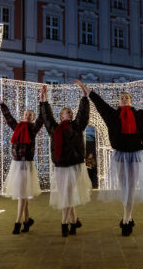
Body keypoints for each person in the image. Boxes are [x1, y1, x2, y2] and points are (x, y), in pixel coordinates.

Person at [75, 80, 143, 236]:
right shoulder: (113, 115)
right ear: (119, 102)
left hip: (135, 155)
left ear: (131, 101)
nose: (124, 99)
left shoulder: (140, 116)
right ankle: (127, 215)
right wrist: (88, 91)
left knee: (131, 187)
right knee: (124, 187)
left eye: (127, 97)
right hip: (120, 155)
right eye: (122, 98)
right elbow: (101, 104)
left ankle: (127, 217)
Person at [39, 82, 92, 237]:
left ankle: (64, 223)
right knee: (65, 194)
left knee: (67, 194)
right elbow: (46, 117)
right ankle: (74, 222)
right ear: (61, 116)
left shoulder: (77, 126)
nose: (70, 113)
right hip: (60, 165)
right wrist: (44, 101)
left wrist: (84, 97)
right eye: (67, 112)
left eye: (71, 112)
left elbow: (83, 114)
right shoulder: (55, 129)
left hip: (74, 165)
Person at [0, 88, 44, 235]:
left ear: (32, 118)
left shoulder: (33, 128)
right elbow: (8, 116)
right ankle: (27, 220)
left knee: (22, 195)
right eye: (26, 114)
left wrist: (42, 100)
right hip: (16, 164)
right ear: (22, 116)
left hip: (26, 164)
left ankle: (17, 222)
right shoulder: (17, 127)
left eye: (30, 115)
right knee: (22, 195)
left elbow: (41, 119)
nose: (27, 116)